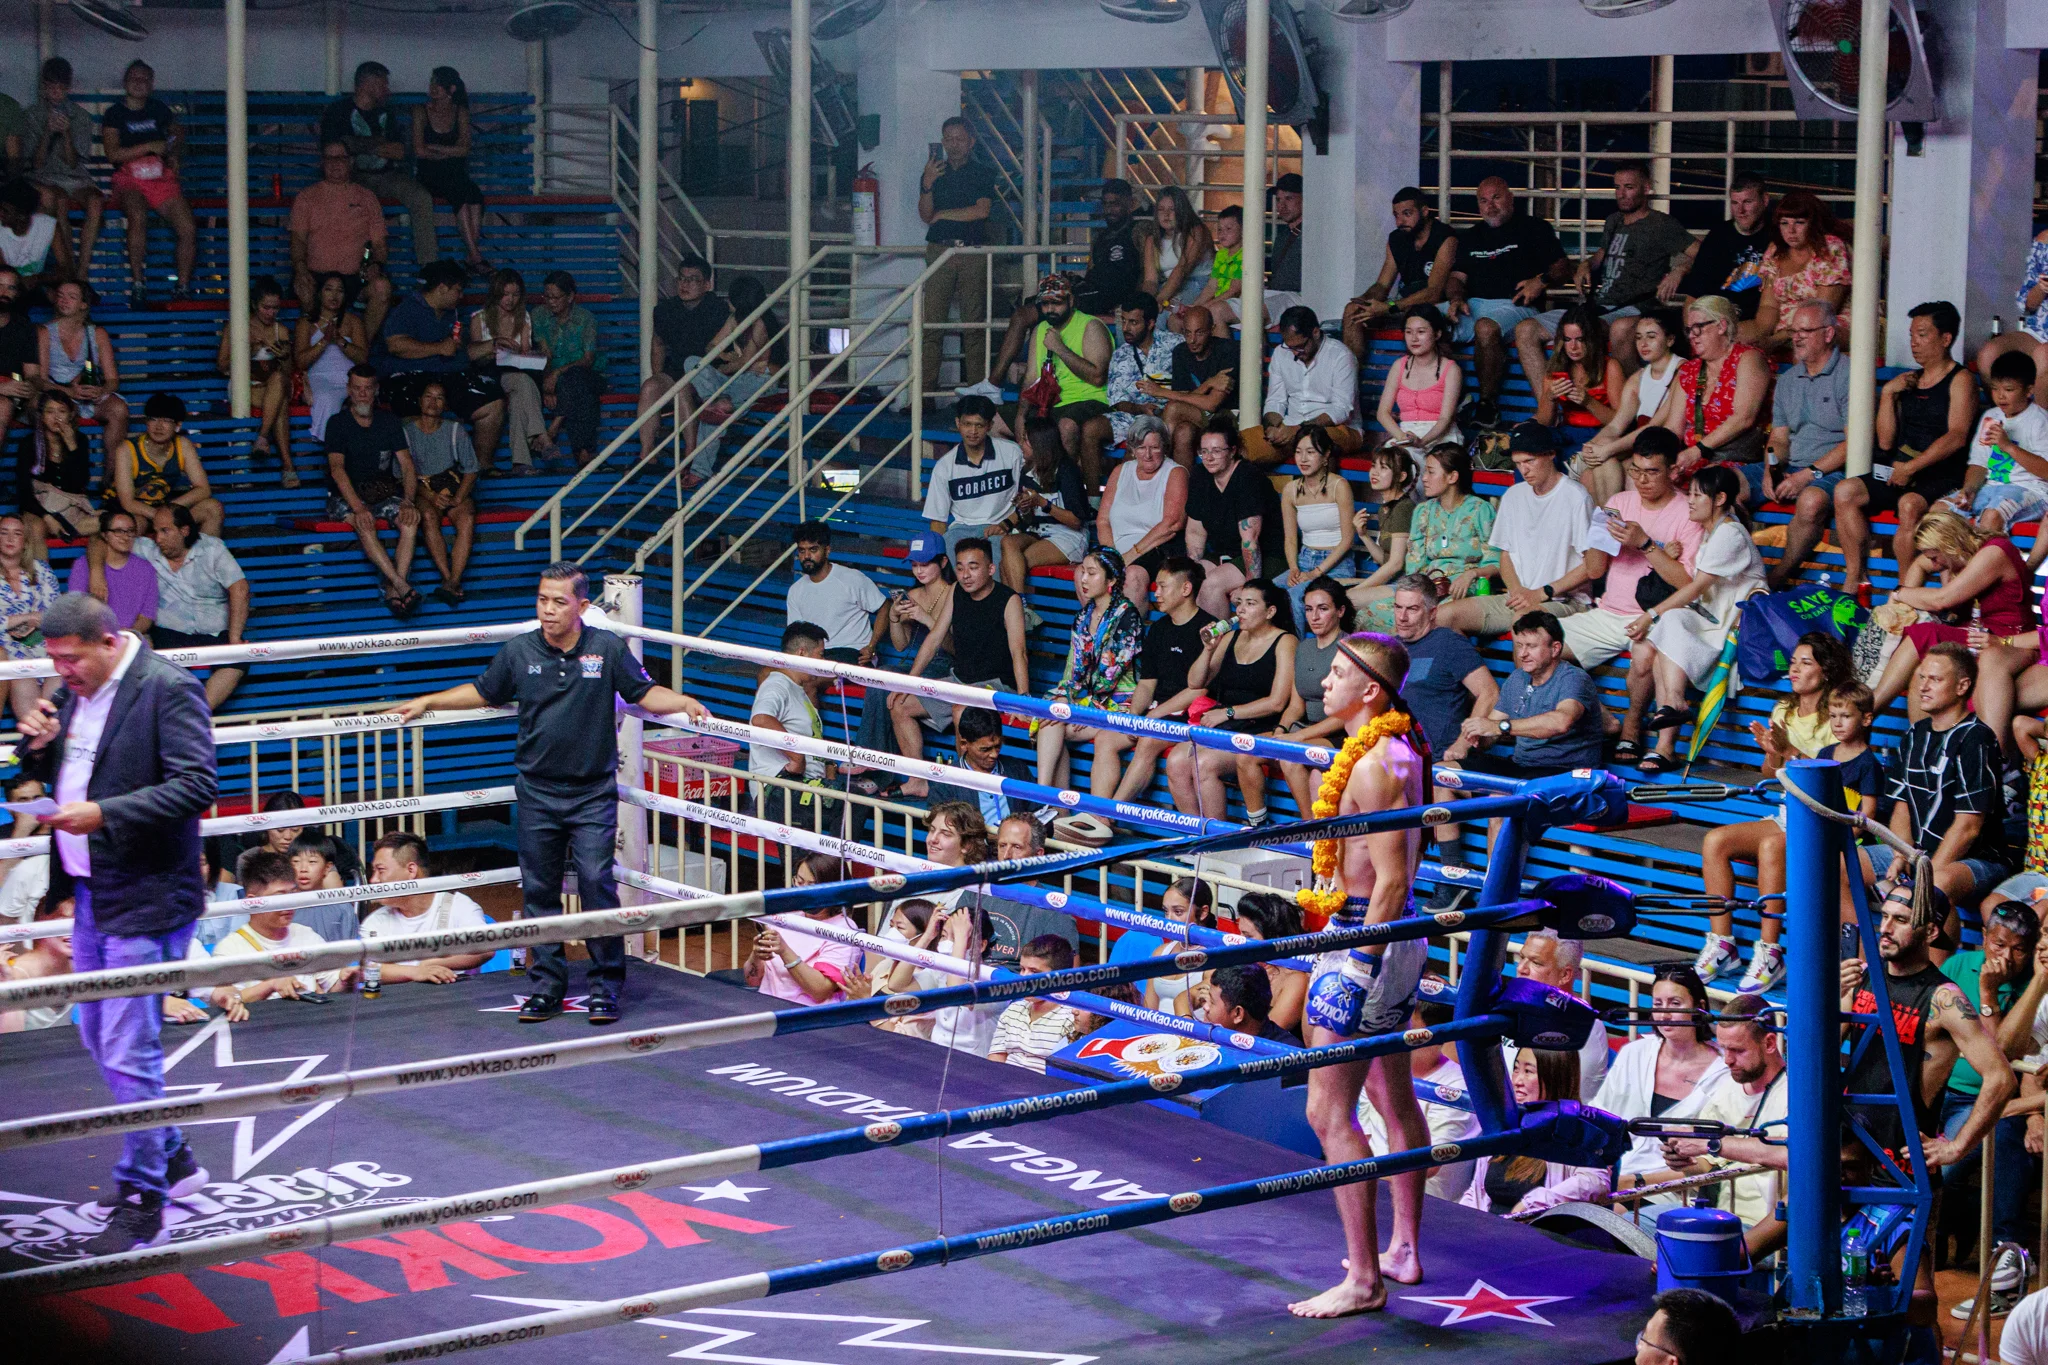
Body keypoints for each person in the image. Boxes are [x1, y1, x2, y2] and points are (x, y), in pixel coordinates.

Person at [390, 563, 710, 1026]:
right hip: (537, 791)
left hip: (592, 793)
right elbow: (484, 692)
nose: (548, 610)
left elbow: (643, 692)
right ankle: (546, 987)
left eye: (559, 602)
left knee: (598, 883)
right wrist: (430, 701)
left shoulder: (606, 648)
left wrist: (682, 701)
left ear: (582, 607)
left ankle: (605, 986)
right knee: (539, 891)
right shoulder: (520, 651)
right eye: (542, 599)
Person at [14, 593, 217, 1253]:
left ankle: (143, 1192)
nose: (61, 673)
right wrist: (37, 749)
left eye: (70, 659)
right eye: (54, 662)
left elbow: (196, 784)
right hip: (93, 890)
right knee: (101, 1038)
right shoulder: (80, 693)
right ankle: (174, 1152)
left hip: (151, 890)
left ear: (106, 640)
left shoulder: (167, 688)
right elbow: (63, 774)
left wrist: (104, 813)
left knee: (129, 1043)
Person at [1287, 631, 1430, 1318]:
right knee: (1390, 1087)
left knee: (1327, 1108)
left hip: (1366, 939)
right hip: (1384, 939)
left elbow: (1392, 882)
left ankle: (1365, 1277)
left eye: (1340, 672)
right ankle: (1402, 1248)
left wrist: (1358, 965)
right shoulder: (1391, 751)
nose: (1326, 681)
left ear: (1371, 689)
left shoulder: (1375, 765)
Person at [1695, 644, 1865, 988]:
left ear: (1826, 670)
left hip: (1820, 818)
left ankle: (1771, 952)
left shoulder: (1838, 714)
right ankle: (1724, 946)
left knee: (1773, 847)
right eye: (1792, 663)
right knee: (1715, 840)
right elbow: (1771, 772)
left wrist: (1788, 751)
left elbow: (1827, 777)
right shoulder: (1783, 709)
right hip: (1789, 811)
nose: (1794, 670)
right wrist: (1774, 754)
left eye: (1806, 662)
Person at [1841, 876, 2016, 1179]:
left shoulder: (1945, 999)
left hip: (1902, 1168)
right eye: (1884, 916)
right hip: (1848, 1147)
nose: (1885, 928)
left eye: (1900, 920)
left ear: (1931, 931)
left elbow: (2001, 1078)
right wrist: (1839, 998)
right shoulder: (1863, 976)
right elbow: (1815, 1055)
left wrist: (1955, 1147)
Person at [1559, 433, 1702, 745]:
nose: (1641, 480)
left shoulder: (1687, 512)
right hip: (1607, 613)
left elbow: (1688, 584)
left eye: (1652, 472)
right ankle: (1604, 719)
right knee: (1537, 645)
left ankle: (1632, 724)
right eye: (1635, 471)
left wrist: (1646, 545)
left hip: (1655, 618)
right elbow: (1595, 570)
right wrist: (1599, 533)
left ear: (1673, 472)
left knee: (1642, 657)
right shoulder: (1619, 503)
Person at [1630, 465, 1767, 774]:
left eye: (1696, 495)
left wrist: (1650, 614)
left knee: (1664, 630)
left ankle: (1665, 743)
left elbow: (1695, 588)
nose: (1689, 501)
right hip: (1711, 619)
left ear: (1719, 498)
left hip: (1733, 626)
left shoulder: (1730, 533)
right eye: (1689, 493)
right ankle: (1671, 714)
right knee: (1666, 630)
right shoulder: (1712, 532)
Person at [1833, 299, 1978, 590]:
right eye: (1912, 335)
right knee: (1844, 491)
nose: (1914, 342)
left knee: (1909, 505)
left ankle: (1905, 589)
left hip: (1939, 473)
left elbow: (1957, 436)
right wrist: (1888, 394)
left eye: (1922, 334)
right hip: (1900, 468)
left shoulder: (1961, 379)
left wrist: (1912, 467)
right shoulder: (1909, 381)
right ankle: (1856, 577)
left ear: (1945, 338)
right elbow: (1886, 441)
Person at [1638, 994, 1788, 1258]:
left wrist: (1712, 1144)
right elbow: (1707, 1165)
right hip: (1710, 1212)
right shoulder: (1727, 1086)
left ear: (1769, 1043)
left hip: (1758, 1228)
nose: (1727, 1060)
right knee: (1619, 1228)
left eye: (1738, 1051)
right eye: (1723, 1048)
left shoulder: (1795, 1093)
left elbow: (1788, 1155)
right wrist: (1683, 1159)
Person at [1867, 644, 2012, 916]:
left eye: (1935, 679)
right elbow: (1902, 805)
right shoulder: (1915, 734)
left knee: (1934, 887)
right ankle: (1861, 957)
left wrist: (1922, 873)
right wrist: (1901, 855)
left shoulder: (1977, 738)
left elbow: (1968, 827)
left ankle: (1933, 960)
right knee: (1837, 864)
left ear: (1962, 686)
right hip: (1916, 853)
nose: (1923, 686)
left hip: (1976, 860)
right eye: (1922, 677)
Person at [1514, 160, 1692, 376]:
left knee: (1592, 330)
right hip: (1598, 306)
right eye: (1617, 187)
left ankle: (1625, 402)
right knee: (1526, 330)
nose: (1621, 194)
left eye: (1629, 187)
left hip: (1635, 307)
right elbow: (1599, 257)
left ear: (1646, 188)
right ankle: (1548, 403)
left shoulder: (1661, 224)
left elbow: (1704, 255)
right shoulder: (1614, 221)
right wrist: (1584, 266)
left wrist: (1679, 271)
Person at [890, 539, 1029, 799]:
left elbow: (1018, 651)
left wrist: (1022, 697)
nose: (966, 575)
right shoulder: (956, 591)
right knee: (901, 704)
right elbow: (934, 638)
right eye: (961, 568)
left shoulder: (1009, 600)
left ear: (990, 568)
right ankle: (918, 780)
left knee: (961, 710)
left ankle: (964, 790)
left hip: (996, 684)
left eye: (973, 567)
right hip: (959, 680)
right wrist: (910, 681)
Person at [1435, 422, 1598, 639]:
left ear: (1550, 455)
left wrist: (1542, 593)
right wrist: (1518, 591)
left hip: (1564, 601)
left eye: (1530, 461)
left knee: (1523, 622)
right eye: (1518, 463)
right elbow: (1506, 555)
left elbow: (1592, 565)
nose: (1524, 470)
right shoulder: (1513, 495)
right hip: (1520, 597)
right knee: (1443, 616)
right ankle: (1473, 673)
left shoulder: (1576, 497)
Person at [1391, 575, 1498, 904]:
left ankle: (1451, 878)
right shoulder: (1390, 649)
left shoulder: (1448, 644)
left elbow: (1490, 693)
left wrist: (1464, 741)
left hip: (1442, 758)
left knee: (1438, 775)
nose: (1402, 617)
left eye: (1412, 609)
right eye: (1398, 608)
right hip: (1400, 758)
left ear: (1433, 612)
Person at [1870, 510, 2034, 724]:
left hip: (2008, 639)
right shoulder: (1963, 554)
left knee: (1924, 633)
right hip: (1973, 634)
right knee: (1921, 673)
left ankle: (1869, 710)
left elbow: (1942, 599)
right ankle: (1922, 750)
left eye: (1936, 558)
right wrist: (1905, 603)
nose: (1935, 566)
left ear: (1950, 544)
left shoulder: (1994, 552)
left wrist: (1899, 593)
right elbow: (1920, 564)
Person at [1595, 963, 1730, 1200]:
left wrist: (1635, 1182)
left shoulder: (1725, 1071)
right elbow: (1600, 1118)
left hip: (1671, 1192)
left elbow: (1714, 1163)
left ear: (1700, 1008)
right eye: (1658, 1004)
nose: (1664, 1014)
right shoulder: (1634, 1052)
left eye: (1675, 1004)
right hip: (1611, 1178)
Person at [1442, 177, 1571, 424]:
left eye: (1496, 198)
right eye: (1483, 200)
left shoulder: (1534, 228)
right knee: (1425, 320)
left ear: (1511, 198)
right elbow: (1456, 278)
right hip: (1474, 305)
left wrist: (1541, 280)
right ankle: (1458, 397)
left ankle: (1487, 405)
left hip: (1517, 306)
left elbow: (1564, 268)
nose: (1490, 206)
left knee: (1486, 327)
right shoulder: (1472, 236)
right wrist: (1456, 297)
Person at [1167, 580, 1297, 824]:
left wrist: (1228, 712)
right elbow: (1195, 682)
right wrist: (1207, 650)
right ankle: (1198, 839)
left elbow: (1278, 702)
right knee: (1175, 762)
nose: (1240, 610)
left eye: (1250, 604)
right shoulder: (1230, 638)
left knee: (1204, 764)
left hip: (1259, 728)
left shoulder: (1285, 642)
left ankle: (1220, 843)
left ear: (1270, 612)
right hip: (1224, 725)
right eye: (1239, 603)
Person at [1101, 557, 1214, 803]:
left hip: (1188, 717)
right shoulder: (1159, 628)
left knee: (1148, 740)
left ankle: (1109, 813)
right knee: (1106, 738)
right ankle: (1096, 810)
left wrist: (1152, 717)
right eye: (1156, 586)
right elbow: (1146, 683)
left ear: (1186, 589)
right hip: (1157, 714)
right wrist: (1133, 717)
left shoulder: (1208, 630)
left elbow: (1200, 690)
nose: (1157, 593)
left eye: (1163, 586)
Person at [1353, 443, 1496, 633]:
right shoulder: (1423, 511)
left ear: (1452, 476)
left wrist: (1472, 574)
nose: (1424, 479)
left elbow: (1497, 559)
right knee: (1371, 613)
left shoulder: (1480, 509)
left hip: (1464, 590)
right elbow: (1414, 565)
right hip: (1427, 588)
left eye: (1430, 472)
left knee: (1424, 619)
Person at [1036, 545, 1144, 795]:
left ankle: (1045, 800)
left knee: (1059, 722)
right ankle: (1047, 802)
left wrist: (1079, 706)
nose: (1083, 579)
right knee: (1052, 718)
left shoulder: (1127, 616)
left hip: (1120, 704)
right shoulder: (1083, 615)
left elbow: (1109, 675)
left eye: (1092, 573)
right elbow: (1074, 669)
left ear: (1112, 580)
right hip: (1086, 700)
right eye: (1082, 571)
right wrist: (1064, 697)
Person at [379, 260, 508, 470]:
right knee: (411, 410)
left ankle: (480, 466)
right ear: (441, 288)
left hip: (451, 375)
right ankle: (420, 474)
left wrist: (492, 345)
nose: (461, 296)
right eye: (458, 290)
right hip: (411, 375)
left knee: (493, 403)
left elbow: (460, 352)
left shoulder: (452, 313)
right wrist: (438, 348)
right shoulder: (407, 309)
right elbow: (395, 344)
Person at [1760, 300, 1851, 585]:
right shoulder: (1788, 378)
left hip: (1832, 469)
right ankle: (1739, 571)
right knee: (1725, 484)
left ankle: (1776, 577)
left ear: (1828, 334)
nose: (1796, 337)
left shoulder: (1849, 374)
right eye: (1793, 330)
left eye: (1805, 330)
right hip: (1793, 466)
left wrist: (1806, 476)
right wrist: (1770, 470)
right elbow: (1779, 437)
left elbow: (1854, 444)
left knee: (1811, 501)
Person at [1358, 1000, 1485, 1202]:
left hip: (1430, 1206)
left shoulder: (1458, 1087)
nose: (1396, 1034)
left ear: (1435, 1036)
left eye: (1407, 1028)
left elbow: (1428, 1165)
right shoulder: (1378, 1068)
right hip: (1375, 1188)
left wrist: (1359, 1174)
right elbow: (1363, 1139)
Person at [1458, 612, 1605, 780]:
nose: (1522, 654)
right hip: (1521, 767)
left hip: (1565, 772)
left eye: (1531, 646)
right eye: (1520, 645)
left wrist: (1499, 727)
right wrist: (1476, 737)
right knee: (1444, 772)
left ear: (1555, 649)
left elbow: (1561, 722)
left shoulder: (1573, 678)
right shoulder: (1517, 678)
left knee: (1501, 795)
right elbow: (1491, 732)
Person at [321, 61, 440, 270]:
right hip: (354, 177)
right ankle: (363, 268)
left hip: (387, 175)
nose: (387, 90)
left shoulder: (388, 113)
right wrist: (374, 144)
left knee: (422, 197)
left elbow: (400, 150)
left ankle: (429, 267)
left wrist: (362, 145)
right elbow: (336, 148)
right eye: (383, 84)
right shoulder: (338, 111)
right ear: (369, 83)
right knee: (363, 205)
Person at [1461, 1046, 1607, 1215]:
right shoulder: (1502, 1124)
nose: (1517, 1080)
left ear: (1555, 1078)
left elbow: (1596, 1182)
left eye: (1528, 1071)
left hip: (1536, 1234)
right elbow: (1476, 1192)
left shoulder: (1579, 1131)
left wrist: (1532, 1204)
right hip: (1486, 1230)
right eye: (1516, 1069)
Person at [324, 366, 422, 616]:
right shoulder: (337, 423)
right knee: (364, 521)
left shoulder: (388, 421)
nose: (363, 394)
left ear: (376, 391)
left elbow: (408, 466)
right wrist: (358, 507)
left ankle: (392, 588)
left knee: (410, 520)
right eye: (357, 388)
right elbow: (337, 470)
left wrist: (409, 501)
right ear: (349, 391)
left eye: (368, 388)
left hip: (381, 493)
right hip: (345, 498)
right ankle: (401, 585)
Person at [135, 505, 250, 710]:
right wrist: (98, 571)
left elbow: (240, 588)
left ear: (184, 531)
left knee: (238, 661)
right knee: (147, 661)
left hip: (213, 632)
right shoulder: (146, 549)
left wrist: (234, 639)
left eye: (165, 531)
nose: (158, 538)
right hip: (170, 633)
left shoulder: (212, 549)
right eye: (156, 531)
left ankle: (195, 714)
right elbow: (101, 540)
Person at [100, 59, 195, 306]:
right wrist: (149, 146)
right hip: (130, 176)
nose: (139, 83)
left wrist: (173, 153)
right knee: (137, 215)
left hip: (159, 176)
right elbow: (113, 154)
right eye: (134, 78)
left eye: (145, 79)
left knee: (188, 228)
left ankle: (183, 287)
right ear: (125, 83)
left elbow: (177, 133)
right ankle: (138, 284)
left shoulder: (159, 109)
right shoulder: (114, 113)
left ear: (152, 84)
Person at [213, 849, 358, 1002]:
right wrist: (271, 985)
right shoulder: (229, 949)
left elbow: (332, 985)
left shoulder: (307, 935)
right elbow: (228, 1001)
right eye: (280, 897)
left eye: (292, 894)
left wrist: (346, 980)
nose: (289, 904)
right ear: (252, 902)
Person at [918, 116, 996, 392]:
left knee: (974, 325)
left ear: (971, 141)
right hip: (939, 249)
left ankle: (977, 394)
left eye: (959, 138)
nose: (953, 145)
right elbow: (926, 215)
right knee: (931, 325)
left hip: (971, 250)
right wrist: (927, 185)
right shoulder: (934, 173)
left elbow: (981, 210)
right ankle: (925, 393)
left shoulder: (983, 173)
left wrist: (944, 214)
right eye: (948, 139)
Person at [1577, 306, 1686, 503]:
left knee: (1609, 460)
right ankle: (1609, 523)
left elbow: (1656, 425)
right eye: (1638, 337)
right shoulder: (1638, 378)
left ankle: (1612, 524)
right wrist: (1593, 447)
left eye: (1651, 337)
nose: (1643, 343)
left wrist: (1608, 449)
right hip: (1642, 446)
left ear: (1670, 340)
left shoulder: (1683, 371)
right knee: (1597, 465)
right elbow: (1616, 425)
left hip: (1668, 447)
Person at [1659, 293, 1772, 477]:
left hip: (1735, 459)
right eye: (1689, 330)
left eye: (1699, 328)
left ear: (1721, 326)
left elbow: (1744, 417)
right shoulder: (1688, 370)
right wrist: (1660, 461)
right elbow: (1673, 428)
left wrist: (1697, 451)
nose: (1692, 336)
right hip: (1692, 459)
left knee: (1706, 481)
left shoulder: (1748, 359)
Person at [356, 831, 491, 984]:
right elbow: (366, 968)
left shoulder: (458, 905)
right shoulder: (375, 922)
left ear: (411, 871)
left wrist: (432, 964)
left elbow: (486, 949)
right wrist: (417, 972)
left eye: (381, 870)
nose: (373, 880)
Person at [1341, 186, 1457, 360]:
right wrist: (1366, 302)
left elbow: (1434, 293)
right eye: (1396, 215)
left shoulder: (1445, 237)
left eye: (1407, 214)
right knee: (1352, 311)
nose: (1400, 222)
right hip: (1401, 305)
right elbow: (1382, 284)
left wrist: (1389, 307)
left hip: (1431, 308)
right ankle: (1350, 380)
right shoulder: (1397, 238)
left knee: (1419, 315)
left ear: (1424, 211)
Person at [1273, 577, 1358, 815]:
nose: (1314, 617)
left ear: (1340, 611)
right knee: (1249, 755)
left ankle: (1310, 830)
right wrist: (1280, 731)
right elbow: (1295, 705)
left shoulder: (1351, 648)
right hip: (1306, 728)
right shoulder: (1304, 648)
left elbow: (1346, 715)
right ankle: (1256, 829)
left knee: (1290, 757)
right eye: (1309, 609)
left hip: (1341, 734)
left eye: (1323, 609)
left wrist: (1298, 737)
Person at [638, 254, 733, 466]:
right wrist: (659, 375)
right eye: (681, 278)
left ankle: (690, 454)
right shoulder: (665, 310)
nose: (685, 284)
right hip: (676, 370)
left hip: (707, 373)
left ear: (707, 284)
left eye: (692, 280)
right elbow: (658, 344)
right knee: (650, 387)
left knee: (681, 389)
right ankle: (647, 454)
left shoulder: (718, 309)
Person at [289, 143, 393, 335]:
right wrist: (301, 269)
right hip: (317, 276)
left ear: (350, 162)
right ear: (322, 163)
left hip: (354, 278)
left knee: (382, 287)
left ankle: (361, 352)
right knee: (303, 286)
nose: (335, 163)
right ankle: (313, 352)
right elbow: (298, 241)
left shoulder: (366, 197)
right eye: (330, 158)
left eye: (341, 158)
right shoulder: (306, 197)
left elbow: (379, 244)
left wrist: (376, 264)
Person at [1183, 416, 1281, 618]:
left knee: (1212, 585)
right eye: (1204, 451)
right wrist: (1194, 567)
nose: (1209, 457)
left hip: (1269, 555)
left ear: (1233, 451)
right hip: (1226, 554)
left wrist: (1249, 587)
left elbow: (1251, 542)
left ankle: (1220, 646)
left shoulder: (1248, 478)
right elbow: (1195, 531)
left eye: (1217, 451)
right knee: (1186, 580)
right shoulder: (1200, 475)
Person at [1949, 350, 2048, 548]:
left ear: (2029, 390)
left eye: (2009, 389)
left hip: (2031, 490)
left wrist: (2008, 446)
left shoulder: (2040, 420)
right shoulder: (1991, 416)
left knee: (1992, 516)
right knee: (1941, 513)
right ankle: (1953, 578)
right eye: (1995, 389)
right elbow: (1978, 465)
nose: (2000, 396)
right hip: (1990, 488)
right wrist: (1968, 490)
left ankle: (1984, 575)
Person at [1021, 273, 1114, 485]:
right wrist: (1020, 415)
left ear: (1071, 301)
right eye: (1045, 304)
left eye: (1057, 303)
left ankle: (1064, 495)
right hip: (1051, 402)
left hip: (1089, 400)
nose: (1050, 309)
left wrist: (1060, 349)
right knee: (997, 423)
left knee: (1065, 426)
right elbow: (1030, 379)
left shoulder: (1091, 326)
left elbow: (1098, 377)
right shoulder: (1040, 329)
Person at [746, 621, 839, 830]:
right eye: (821, 654)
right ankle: (825, 863)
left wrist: (828, 768)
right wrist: (797, 757)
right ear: (802, 653)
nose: (823, 661)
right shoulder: (777, 684)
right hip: (779, 791)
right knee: (855, 803)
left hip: (803, 789)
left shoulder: (797, 690)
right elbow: (761, 719)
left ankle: (824, 862)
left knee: (854, 800)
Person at [1246, 305, 1361, 467]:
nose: (1294, 353)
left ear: (1315, 333)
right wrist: (1273, 427)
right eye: (1290, 347)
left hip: (1339, 429)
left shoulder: (1340, 356)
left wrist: (1298, 430)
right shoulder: (1281, 353)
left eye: (1300, 346)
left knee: (1316, 441)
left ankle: (1325, 491)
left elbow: (1342, 409)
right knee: (1243, 446)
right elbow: (1275, 401)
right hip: (1291, 428)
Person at [995, 415, 1091, 605]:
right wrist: (1024, 509)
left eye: (1026, 440)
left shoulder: (1067, 471)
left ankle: (1019, 611)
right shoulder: (1027, 472)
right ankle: (1021, 611)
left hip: (1068, 536)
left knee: (1015, 563)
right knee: (1008, 543)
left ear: (1040, 444)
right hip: (1039, 532)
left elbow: (1076, 521)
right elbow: (1029, 520)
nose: (1021, 444)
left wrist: (1042, 503)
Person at [1742, 189, 1852, 353]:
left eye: (1799, 222)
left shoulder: (1830, 247)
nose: (1791, 230)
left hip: (1826, 326)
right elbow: (1768, 307)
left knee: (1806, 342)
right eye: (1784, 223)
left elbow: (1822, 312)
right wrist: (1759, 335)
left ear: (1813, 223)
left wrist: (1776, 340)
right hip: (1784, 330)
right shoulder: (1775, 251)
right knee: (1728, 336)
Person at [746, 854, 864, 1005]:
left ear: (835, 890)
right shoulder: (785, 914)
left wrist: (784, 951)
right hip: (765, 1006)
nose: (803, 891)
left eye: (812, 886)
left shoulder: (844, 930)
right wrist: (756, 955)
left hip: (807, 1017)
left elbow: (820, 990)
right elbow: (752, 980)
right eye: (799, 882)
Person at [1097, 414, 1188, 607]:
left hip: (1156, 551)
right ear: (1131, 449)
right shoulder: (1120, 471)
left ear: (1165, 447)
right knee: (1086, 573)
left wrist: (1131, 555)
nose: (1147, 455)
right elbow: (1103, 520)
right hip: (1118, 552)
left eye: (1154, 447)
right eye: (1141, 448)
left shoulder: (1175, 473)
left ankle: (1128, 635)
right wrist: (1112, 556)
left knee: (1132, 576)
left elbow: (1172, 524)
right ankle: (1102, 633)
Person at [467, 267, 553, 472]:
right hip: (489, 375)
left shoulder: (523, 318)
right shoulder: (479, 318)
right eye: (505, 294)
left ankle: (521, 463)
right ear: (496, 293)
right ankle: (541, 436)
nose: (510, 300)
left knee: (519, 393)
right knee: (523, 383)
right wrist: (496, 347)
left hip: (515, 374)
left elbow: (524, 351)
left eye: (515, 295)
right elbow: (474, 354)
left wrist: (529, 354)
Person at [403, 379, 480, 605]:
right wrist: (431, 496)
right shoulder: (407, 433)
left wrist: (458, 498)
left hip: (453, 488)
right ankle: (448, 579)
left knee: (466, 516)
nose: (433, 402)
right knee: (427, 516)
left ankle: (453, 581)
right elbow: (403, 475)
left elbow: (471, 470)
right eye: (428, 396)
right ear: (420, 401)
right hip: (424, 491)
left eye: (439, 398)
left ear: (445, 404)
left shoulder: (455, 430)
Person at [39, 279, 127, 474]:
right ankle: (63, 476)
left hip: (87, 394)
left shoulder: (97, 333)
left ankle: (111, 477)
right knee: (60, 411)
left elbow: (113, 380)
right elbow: (40, 380)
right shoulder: (44, 332)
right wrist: (68, 391)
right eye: (60, 296)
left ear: (83, 304)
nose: (64, 301)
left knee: (119, 408)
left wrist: (100, 390)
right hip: (58, 392)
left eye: (71, 297)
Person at [24, 59, 101, 281]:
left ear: (67, 88)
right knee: (59, 201)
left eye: (60, 88)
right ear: (44, 87)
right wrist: (48, 132)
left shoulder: (81, 116)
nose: (55, 93)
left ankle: (82, 270)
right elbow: (36, 164)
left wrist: (66, 133)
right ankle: (68, 270)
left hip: (75, 178)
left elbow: (72, 163)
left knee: (95, 202)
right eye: (50, 87)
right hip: (44, 178)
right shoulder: (32, 115)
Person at [923, 394, 1023, 562]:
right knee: (947, 548)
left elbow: (1028, 498)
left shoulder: (1012, 453)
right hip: (962, 529)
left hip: (1001, 527)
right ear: (957, 424)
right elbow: (938, 522)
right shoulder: (944, 466)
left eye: (979, 425)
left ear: (990, 425)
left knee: (999, 556)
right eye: (967, 424)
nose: (973, 431)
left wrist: (1006, 524)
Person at [110, 393, 223, 541]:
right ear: (146, 422)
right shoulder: (126, 449)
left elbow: (203, 489)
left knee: (212, 508)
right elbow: (128, 502)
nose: (159, 426)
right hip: (135, 511)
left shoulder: (183, 445)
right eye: (153, 419)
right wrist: (159, 515)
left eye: (166, 420)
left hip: (165, 508)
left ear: (177, 426)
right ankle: (134, 565)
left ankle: (204, 562)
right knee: (135, 524)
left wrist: (168, 511)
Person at [215, 276, 296, 481]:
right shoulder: (237, 327)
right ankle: (288, 466)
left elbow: (288, 372)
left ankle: (262, 438)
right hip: (245, 386)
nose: (271, 313)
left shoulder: (282, 331)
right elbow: (221, 365)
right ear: (254, 304)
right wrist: (247, 351)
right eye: (265, 307)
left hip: (273, 385)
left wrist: (284, 356)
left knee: (277, 380)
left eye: (275, 308)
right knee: (280, 404)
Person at [1513, 929, 1610, 1099]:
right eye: (1522, 958)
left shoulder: (1584, 1027)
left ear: (1565, 975)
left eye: (1536, 963)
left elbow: (1560, 1100)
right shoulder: (1512, 1008)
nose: (1521, 969)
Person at [410, 67, 488, 274]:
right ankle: (475, 256)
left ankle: (472, 255)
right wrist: (450, 152)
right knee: (460, 194)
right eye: (432, 83)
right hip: (430, 175)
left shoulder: (460, 111)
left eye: (438, 84)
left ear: (451, 89)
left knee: (475, 196)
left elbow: (464, 149)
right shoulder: (420, 111)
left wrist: (436, 148)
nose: (433, 88)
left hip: (455, 172)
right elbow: (419, 150)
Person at [1669, 171, 1773, 322]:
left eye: (1747, 202)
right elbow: (1695, 294)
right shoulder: (1719, 236)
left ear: (1764, 200)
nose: (1740, 211)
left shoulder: (1777, 234)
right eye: (1735, 203)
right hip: (1718, 320)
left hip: (1759, 320)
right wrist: (1692, 332)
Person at [1145, 301, 1237, 465]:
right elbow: (1183, 397)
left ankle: (1158, 467)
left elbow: (1211, 404)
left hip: (1227, 417)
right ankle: (1182, 487)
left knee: (1172, 407)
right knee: (1183, 433)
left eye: (1199, 333)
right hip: (1197, 416)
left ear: (1212, 329)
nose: (1192, 340)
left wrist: (1162, 392)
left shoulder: (1227, 352)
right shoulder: (1181, 352)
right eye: (1187, 333)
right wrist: (1209, 383)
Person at [294, 271, 373, 460]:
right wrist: (324, 342)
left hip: (349, 379)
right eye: (329, 289)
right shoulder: (306, 323)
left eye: (340, 291)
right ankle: (328, 451)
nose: (334, 295)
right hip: (319, 378)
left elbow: (362, 359)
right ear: (320, 293)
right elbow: (301, 361)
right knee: (327, 398)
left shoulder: (353, 322)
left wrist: (340, 341)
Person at [787, 520, 888, 665]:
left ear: (827, 550)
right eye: (802, 551)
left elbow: (884, 607)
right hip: (818, 656)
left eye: (813, 549)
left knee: (810, 682)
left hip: (854, 653)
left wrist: (871, 647)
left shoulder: (852, 578)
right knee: (767, 674)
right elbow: (795, 633)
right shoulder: (796, 590)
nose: (807, 556)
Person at [16, 389, 97, 563]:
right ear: (41, 416)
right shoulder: (29, 443)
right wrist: (47, 517)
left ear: (70, 415)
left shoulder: (80, 440)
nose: (56, 417)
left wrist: (71, 445)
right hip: (38, 509)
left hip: (70, 510)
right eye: (50, 412)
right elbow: (24, 492)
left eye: (62, 411)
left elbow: (80, 483)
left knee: (109, 524)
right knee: (35, 528)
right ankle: (42, 583)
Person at [987, 935, 1088, 1073]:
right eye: (1022, 969)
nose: (1024, 978)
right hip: (1003, 1087)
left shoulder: (1072, 1018)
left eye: (1034, 972)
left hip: (1045, 1091)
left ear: (1059, 978)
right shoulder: (1013, 1009)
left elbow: (1066, 1075)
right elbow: (995, 1060)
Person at [533, 270, 604, 468]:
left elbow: (588, 359)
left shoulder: (585, 318)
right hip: (559, 379)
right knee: (582, 394)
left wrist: (557, 373)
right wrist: (548, 384)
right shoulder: (539, 315)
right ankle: (583, 451)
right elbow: (545, 353)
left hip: (586, 373)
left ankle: (553, 428)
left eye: (556, 297)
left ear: (571, 296)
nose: (550, 302)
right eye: (546, 297)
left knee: (576, 378)